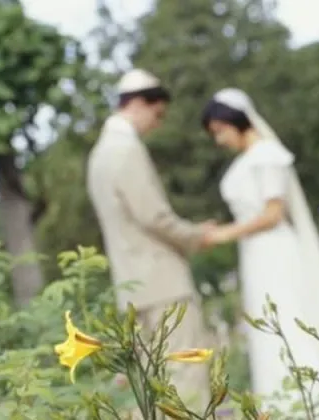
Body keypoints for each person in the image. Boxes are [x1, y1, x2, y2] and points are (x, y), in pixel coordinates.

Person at [199, 88, 319, 411]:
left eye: (220, 131)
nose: (219, 140)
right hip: (255, 255)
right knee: (266, 327)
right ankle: (283, 404)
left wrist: (225, 234)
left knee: (289, 318)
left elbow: (273, 213)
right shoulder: (247, 161)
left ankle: (313, 403)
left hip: (276, 252)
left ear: (236, 122)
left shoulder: (268, 155)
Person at [86, 68, 214, 411]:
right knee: (185, 375)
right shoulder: (125, 149)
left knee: (148, 386)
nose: (157, 124)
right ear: (140, 103)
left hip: (131, 286)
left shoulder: (98, 155)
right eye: (157, 114)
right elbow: (153, 217)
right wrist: (196, 235)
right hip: (163, 282)